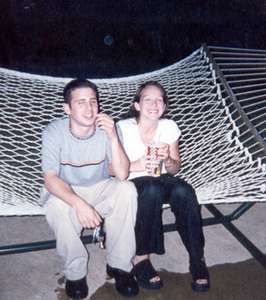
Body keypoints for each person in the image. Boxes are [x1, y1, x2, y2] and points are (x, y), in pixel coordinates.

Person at [41, 79, 139, 299]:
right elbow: (50, 179)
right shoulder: (54, 132)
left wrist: (113, 136)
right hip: (67, 189)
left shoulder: (108, 129)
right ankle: (75, 273)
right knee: (57, 206)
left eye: (93, 101)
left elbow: (122, 174)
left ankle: (119, 266)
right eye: (81, 102)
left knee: (127, 190)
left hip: (100, 185)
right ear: (67, 108)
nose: (89, 108)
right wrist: (79, 203)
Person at [117, 81, 210, 292]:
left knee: (183, 191)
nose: (154, 103)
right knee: (151, 189)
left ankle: (197, 259)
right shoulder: (122, 128)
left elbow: (175, 169)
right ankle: (140, 257)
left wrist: (168, 160)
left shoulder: (169, 127)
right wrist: (138, 163)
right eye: (148, 99)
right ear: (137, 105)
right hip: (131, 180)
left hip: (160, 177)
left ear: (165, 106)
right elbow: (112, 169)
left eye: (159, 99)